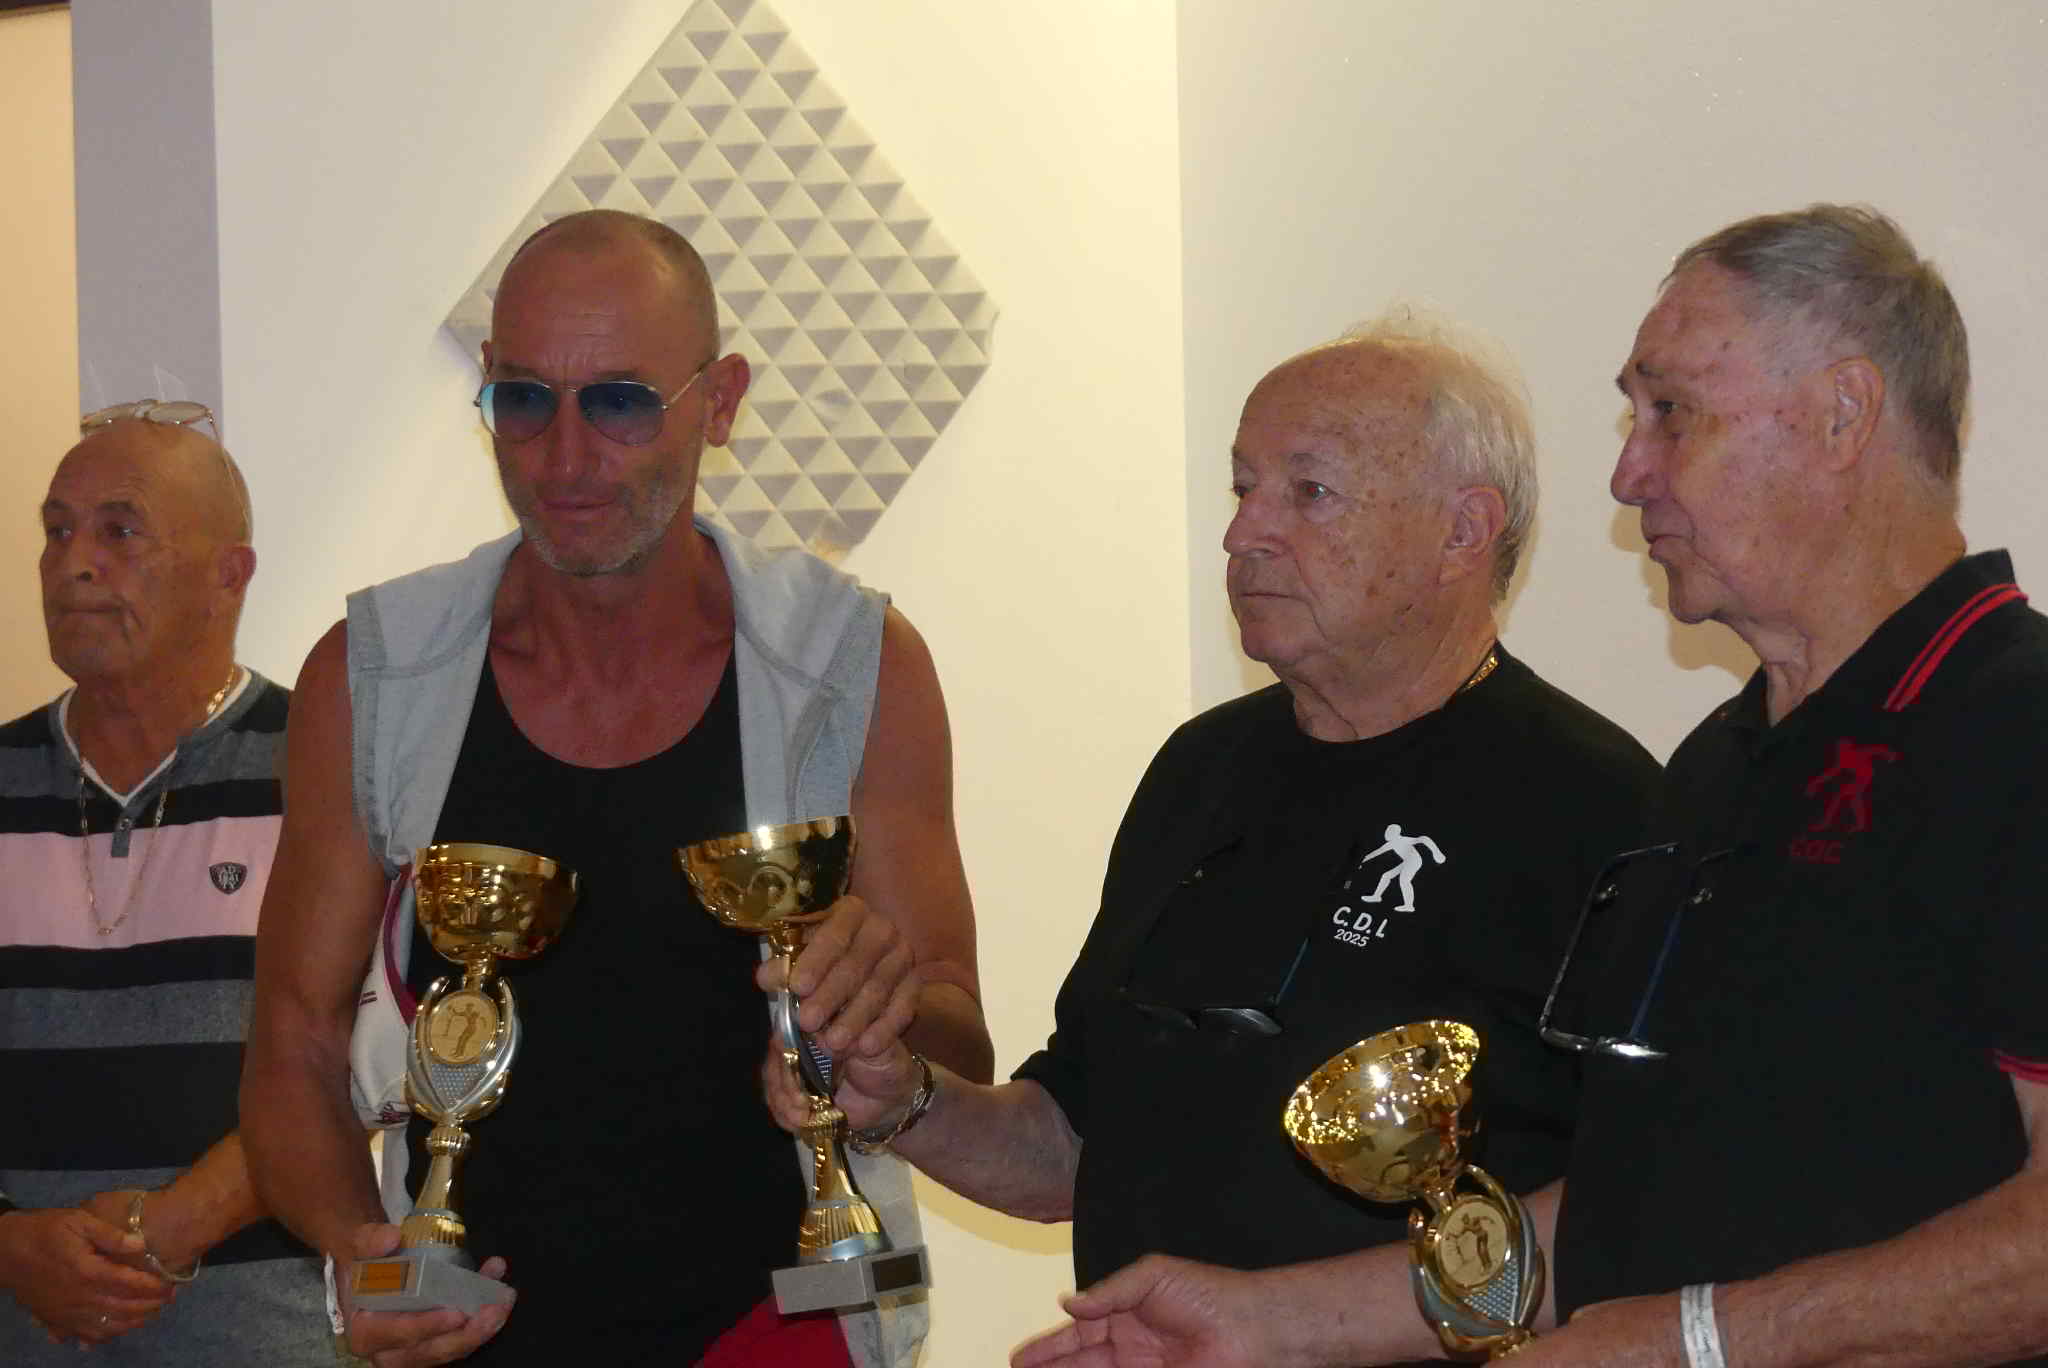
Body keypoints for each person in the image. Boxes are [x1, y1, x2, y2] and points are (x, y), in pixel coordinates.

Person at [1009, 206, 2048, 1368]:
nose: (1625, 474)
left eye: (1670, 412)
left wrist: (1686, 1342)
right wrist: (1264, 1324)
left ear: (1842, 414)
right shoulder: (1718, 770)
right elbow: (1618, 1217)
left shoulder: (2015, 725)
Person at [790, 314, 1658, 1360]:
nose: (1243, 533)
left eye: (1309, 491)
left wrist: (1283, 1328)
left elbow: (1646, 1212)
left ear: (1462, 532)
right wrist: (902, 1101)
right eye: (1243, 487)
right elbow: (1075, 1144)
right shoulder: (1200, 771)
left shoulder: (1594, 807)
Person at [239, 209, 993, 1367]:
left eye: (620, 402)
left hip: (776, 1331)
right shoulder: (374, 676)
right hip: (467, 1331)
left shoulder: (852, 665)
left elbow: (959, 1041)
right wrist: (360, 1252)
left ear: (720, 402)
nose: (564, 456)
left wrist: (880, 1006)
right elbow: (293, 1038)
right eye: (524, 400)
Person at [0, 406, 328, 1362]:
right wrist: (10, 1242)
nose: (73, 563)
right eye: (56, 530)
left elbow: (367, 1060)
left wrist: (165, 1230)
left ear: (230, 574)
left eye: (120, 530)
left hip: (268, 1337)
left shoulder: (325, 766)